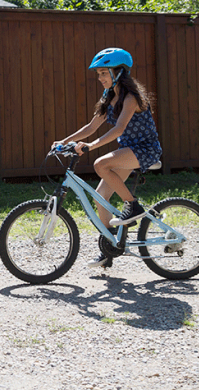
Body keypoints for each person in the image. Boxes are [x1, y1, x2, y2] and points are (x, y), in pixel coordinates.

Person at [53, 48, 162, 268]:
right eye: (99, 74)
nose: (100, 78)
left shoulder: (131, 98)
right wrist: (64, 141)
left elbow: (119, 129)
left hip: (145, 149)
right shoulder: (109, 96)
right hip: (128, 150)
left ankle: (133, 205)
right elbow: (92, 126)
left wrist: (91, 146)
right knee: (100, 196)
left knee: (100, 163)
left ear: (118, 72)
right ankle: (109, 249)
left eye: (104, 73)